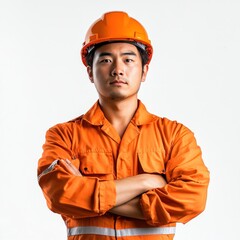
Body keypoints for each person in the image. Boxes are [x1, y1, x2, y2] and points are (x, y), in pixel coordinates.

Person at [37, 11, 210, 240]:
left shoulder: (175, 136)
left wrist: (88, 194)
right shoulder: (63, 135)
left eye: (128, 60)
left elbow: (193, 198)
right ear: (90, 72)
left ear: (144, 71)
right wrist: (146, 181)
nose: (118, 69)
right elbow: (59, 194)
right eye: (106, 60)